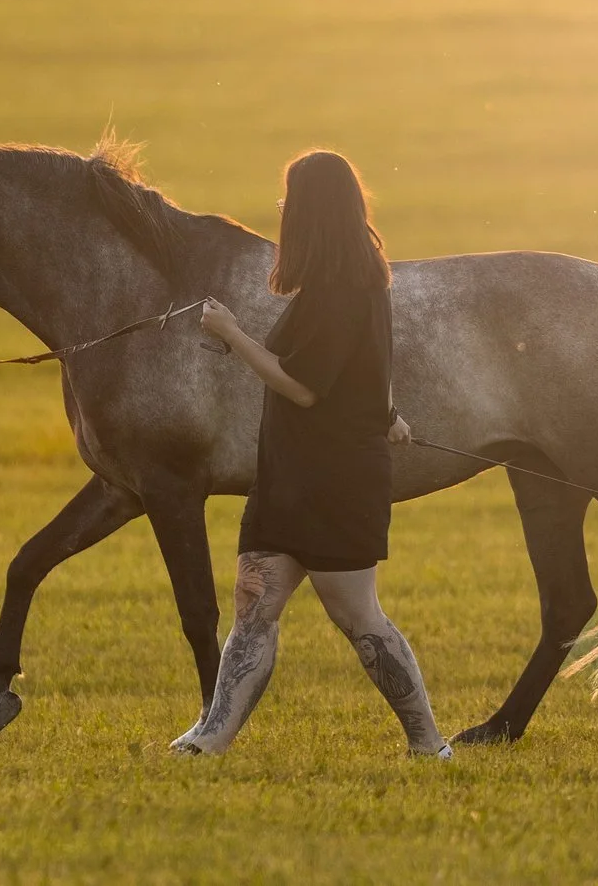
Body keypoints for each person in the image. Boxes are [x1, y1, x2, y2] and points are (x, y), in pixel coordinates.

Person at [171, 150, 450, 759]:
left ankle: (430, 744)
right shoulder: (334, 284)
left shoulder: (344, 290)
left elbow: (303, 384)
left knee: (359, 619)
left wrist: (230, 333)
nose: (280, 212)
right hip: (288, 478)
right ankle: (211, 738)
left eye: (288, 201)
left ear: (311, 213)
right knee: (254, 605)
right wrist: (386, 414)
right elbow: (358, 371)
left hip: (334, 482)